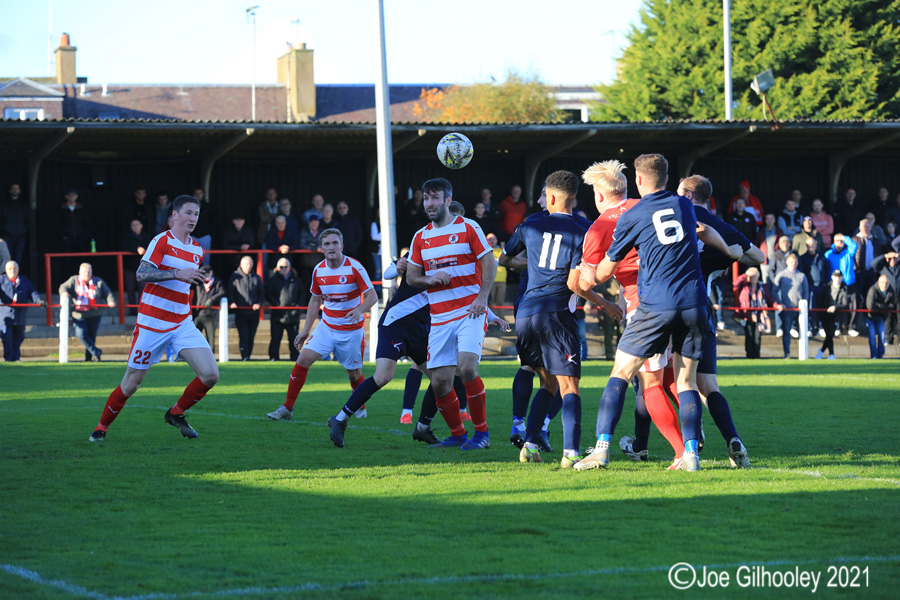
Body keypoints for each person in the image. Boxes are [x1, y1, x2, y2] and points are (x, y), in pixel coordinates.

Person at [575, 154, 741, 472]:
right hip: (691, 301)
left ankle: (656, 451)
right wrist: (728, 251)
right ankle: (692, 445)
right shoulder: (670, 204)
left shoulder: (602, 226)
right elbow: (703, 228)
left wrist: (589, 277)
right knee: (681, 381)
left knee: (642, 381)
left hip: (648, 306)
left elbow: (589, 278)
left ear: (599, 196)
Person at [503, 170, 617, 467]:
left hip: (527, 314)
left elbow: (504, 259)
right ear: (573, 197)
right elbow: (575, 283)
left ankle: (529, 444)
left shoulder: (530, 224)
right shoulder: (585, 228)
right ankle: (571, 453)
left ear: (550, 197)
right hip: (557, 314)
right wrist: (605, 303)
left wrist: (534, 264)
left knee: (548, 383)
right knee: (570, 388)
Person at [88, 195, 218, 442]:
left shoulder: (198, 250)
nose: (193, 218)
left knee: (210, 375)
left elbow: (184, 283)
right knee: (131, 384)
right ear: (175, 215)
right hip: (152, 323)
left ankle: (175, 413)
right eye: (188, 213)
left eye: (197, 214)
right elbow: (142, 273)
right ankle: (101, 428)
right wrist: (178, 273)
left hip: (182, 322)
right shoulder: (161, 240)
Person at [405, 177, 497, 450]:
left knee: (467, 367)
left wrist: (482, 297)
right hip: (440, 317)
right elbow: (411, 276)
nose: (429, 203)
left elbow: (489, 263)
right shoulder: (420, 236)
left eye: (435, 198)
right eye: (426, 198)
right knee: (440, 383)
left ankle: (482, 434)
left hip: (470, 310)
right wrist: (429, 280)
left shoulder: (469, 227)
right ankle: (458, 434)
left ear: (447, 200)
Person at [678, 174, 763, 468]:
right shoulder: (721, 226)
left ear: (688, 195)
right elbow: (758, 255)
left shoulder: (674, 217)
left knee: (669, 380)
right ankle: (732, 438)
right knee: (709, 385)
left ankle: (684, 443)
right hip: (704, 310)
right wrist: (730, 251)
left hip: (671, 308)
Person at [266, 229, 376, 422]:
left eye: (335, 243)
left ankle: (360, 406)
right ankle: (287, 408)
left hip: (351, 330)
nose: (331, 247)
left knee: (354, 374)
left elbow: (372, 296)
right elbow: (314, 301)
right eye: (327, 244)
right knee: (302, 360)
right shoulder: (318, 270)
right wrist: (306, 330)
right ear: (321, 248)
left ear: (342, 246)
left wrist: (359, 310)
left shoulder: (354, 267)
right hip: (327, 326)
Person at [59, 262, 115, 362]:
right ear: (80, 272)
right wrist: (65, 293)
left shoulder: (98, 281)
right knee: (81, 334)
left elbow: (107, 292)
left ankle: (89, 358)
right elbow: (63, 287)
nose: (87, 274)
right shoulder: (74, 280)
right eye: (85, 272)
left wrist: (110, 301)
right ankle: (96, 351)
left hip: (95, 313)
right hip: (79, 314)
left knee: (92, 336)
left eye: (89, 272)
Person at [0, 260, 43, 361]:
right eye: (10, 269)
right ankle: (9, 359)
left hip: (20, 315)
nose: (12, 271)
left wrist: (38, 300)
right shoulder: (1, 280)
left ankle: (16, 358)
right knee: (7, 339)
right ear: (6, 270)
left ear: (18, 270)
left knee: (19, 337)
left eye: (14, 268)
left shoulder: (24, 280)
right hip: (5, 316)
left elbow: (32, 292)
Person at [265, 257, 303, 362]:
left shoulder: (296, 279)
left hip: (293, 314)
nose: (284, 269)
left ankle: (295, 358)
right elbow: (268, 294)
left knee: (294, 339)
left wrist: (298, 306)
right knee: (276, 338)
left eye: (286, 267)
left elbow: (302, 294)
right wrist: (277, 305)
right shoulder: (273, 280)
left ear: (290, 267)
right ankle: (273, 357)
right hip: (278, 314)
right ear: (277, 268)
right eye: (281, 267)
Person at [773, 253, 809, 358]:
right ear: (786, 262)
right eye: (791, 262)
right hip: (787, 308)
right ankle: (787, 353)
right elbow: (774, 291)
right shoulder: (781, 275)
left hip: (800, 309)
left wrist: (804, 303)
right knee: (787, 331)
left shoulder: (802, 276)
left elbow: (806, 292)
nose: (793, 264)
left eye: (795, 262)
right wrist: (780, 303)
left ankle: (803, 354)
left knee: (802, 331)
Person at [228, 255, 263, 361]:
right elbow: (231, 291)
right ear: (241, 265)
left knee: (251, 336)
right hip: (241, 312)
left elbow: (261, 294)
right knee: (244, 335)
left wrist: (259, 303)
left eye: (250, 264)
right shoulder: (234, 277)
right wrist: (232, 302)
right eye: (246, 264)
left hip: (253, 313)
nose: (249, 266)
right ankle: (245, 356)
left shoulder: (257, 277)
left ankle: (249, 355)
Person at [735, 267, 772, 358]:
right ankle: (749, 354)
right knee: (749, 335)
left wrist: (776, 305)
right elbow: (735, 283)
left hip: (759, 316)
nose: (752, 278)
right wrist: (746, 275)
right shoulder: (744, 286)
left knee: (757, 336)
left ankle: (757, 355)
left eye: (754, 276)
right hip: (747, 315)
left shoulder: (762, 287)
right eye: (751, 276)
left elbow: (769, 298)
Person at [121, 218, 152, 315]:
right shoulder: (127, 237)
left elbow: (151, 247)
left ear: (141, 226)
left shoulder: (147, 236)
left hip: (143, 268)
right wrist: (136, 249)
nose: (135, 227)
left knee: (143, 289)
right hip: (130, 267)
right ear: (131, 227)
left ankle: (142, 310)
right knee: (130, 289)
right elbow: (124, 247)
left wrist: (144, 250)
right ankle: (132, 310)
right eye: (133, 225)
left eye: (137, 224)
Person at [816, 270, 850, 359]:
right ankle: (828, 353)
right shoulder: (827, 287)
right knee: (829, 335)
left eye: (839, 277)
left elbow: (845, 304)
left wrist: (836, 307)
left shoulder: (844, 289)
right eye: (835, 276)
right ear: (832, 277)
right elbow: (821, 300)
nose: (837, 279)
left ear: (842, 278)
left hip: (836, 315)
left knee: (830, 334)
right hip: (825, 314)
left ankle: (826, 352)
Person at [193, 265, 225, 353]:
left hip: (211, 314)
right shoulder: (198, 282)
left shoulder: (217, 282)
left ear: (212, 272)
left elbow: (222, 292)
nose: (206, 274)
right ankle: (194, 355)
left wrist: (212, 299)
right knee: (194, 337)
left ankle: (210, 358)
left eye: (208, 272)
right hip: (199, 313)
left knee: (210, 339)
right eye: (204, 272)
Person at [871, 251, 900, 344]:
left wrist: (897, 255)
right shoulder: (883, 268)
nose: (893, 260)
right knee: (888, 319)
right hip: (888, 297)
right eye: (891, 259)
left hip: (899, 297)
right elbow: (873, 264)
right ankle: (889, 339)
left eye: (894, 259)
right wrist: (885, 256)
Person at [865, 274, 895, 359]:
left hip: (881, 316)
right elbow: (870, 306)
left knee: (882, 336)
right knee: (872, 335)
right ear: (878, 282)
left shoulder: (890, 290)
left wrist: (878, 306)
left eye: (886, 283)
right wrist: (884, 307)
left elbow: (893, 305)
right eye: (882, 282)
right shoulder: (872, 290)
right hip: (870, 316)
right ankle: (874, 355)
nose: (884, 285)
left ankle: (880, 354)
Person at [1, 183, 28, 263]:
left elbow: (27, 219)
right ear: (10, 190)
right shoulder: (4, 205)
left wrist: (24, 230)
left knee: (18, 257)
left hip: (21, 234)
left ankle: (16, 274)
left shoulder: (24, 205)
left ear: (20, 191)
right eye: (13, 188)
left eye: (17, 188)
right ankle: (7, 274)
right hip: (7, 235)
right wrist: (4, 229)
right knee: (7, 257)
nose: (15, 190)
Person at [755, 213, 783, 284]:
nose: (769, 220)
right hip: (765, 261)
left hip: (777, 260)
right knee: (765, 282)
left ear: (774, 220)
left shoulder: (779, 232)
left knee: (777, 281)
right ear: (765, 221)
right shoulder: (761, 232)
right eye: (767, 219)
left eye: (771, 218)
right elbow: (756, 245)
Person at [191, 188, 214, 266]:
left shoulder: (208, 206)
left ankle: (206, 276)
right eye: (196, 193)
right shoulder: (188, 207)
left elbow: (213, 221)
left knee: (206, 259)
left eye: (200, 193)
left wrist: (208, 231)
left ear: (203, 194)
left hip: (205, 236)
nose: (198, 195)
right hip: (192, 235)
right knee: (191, 259)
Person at [486, 233, 507, 315]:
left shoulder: (502, 251)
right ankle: (489, 320)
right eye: (489, 239)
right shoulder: (485, 251)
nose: (492, 241)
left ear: (497, 240)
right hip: (489, 281)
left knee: (500, 301)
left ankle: (501, 319)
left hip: (502, 280)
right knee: (489, 302)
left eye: (493, 239)